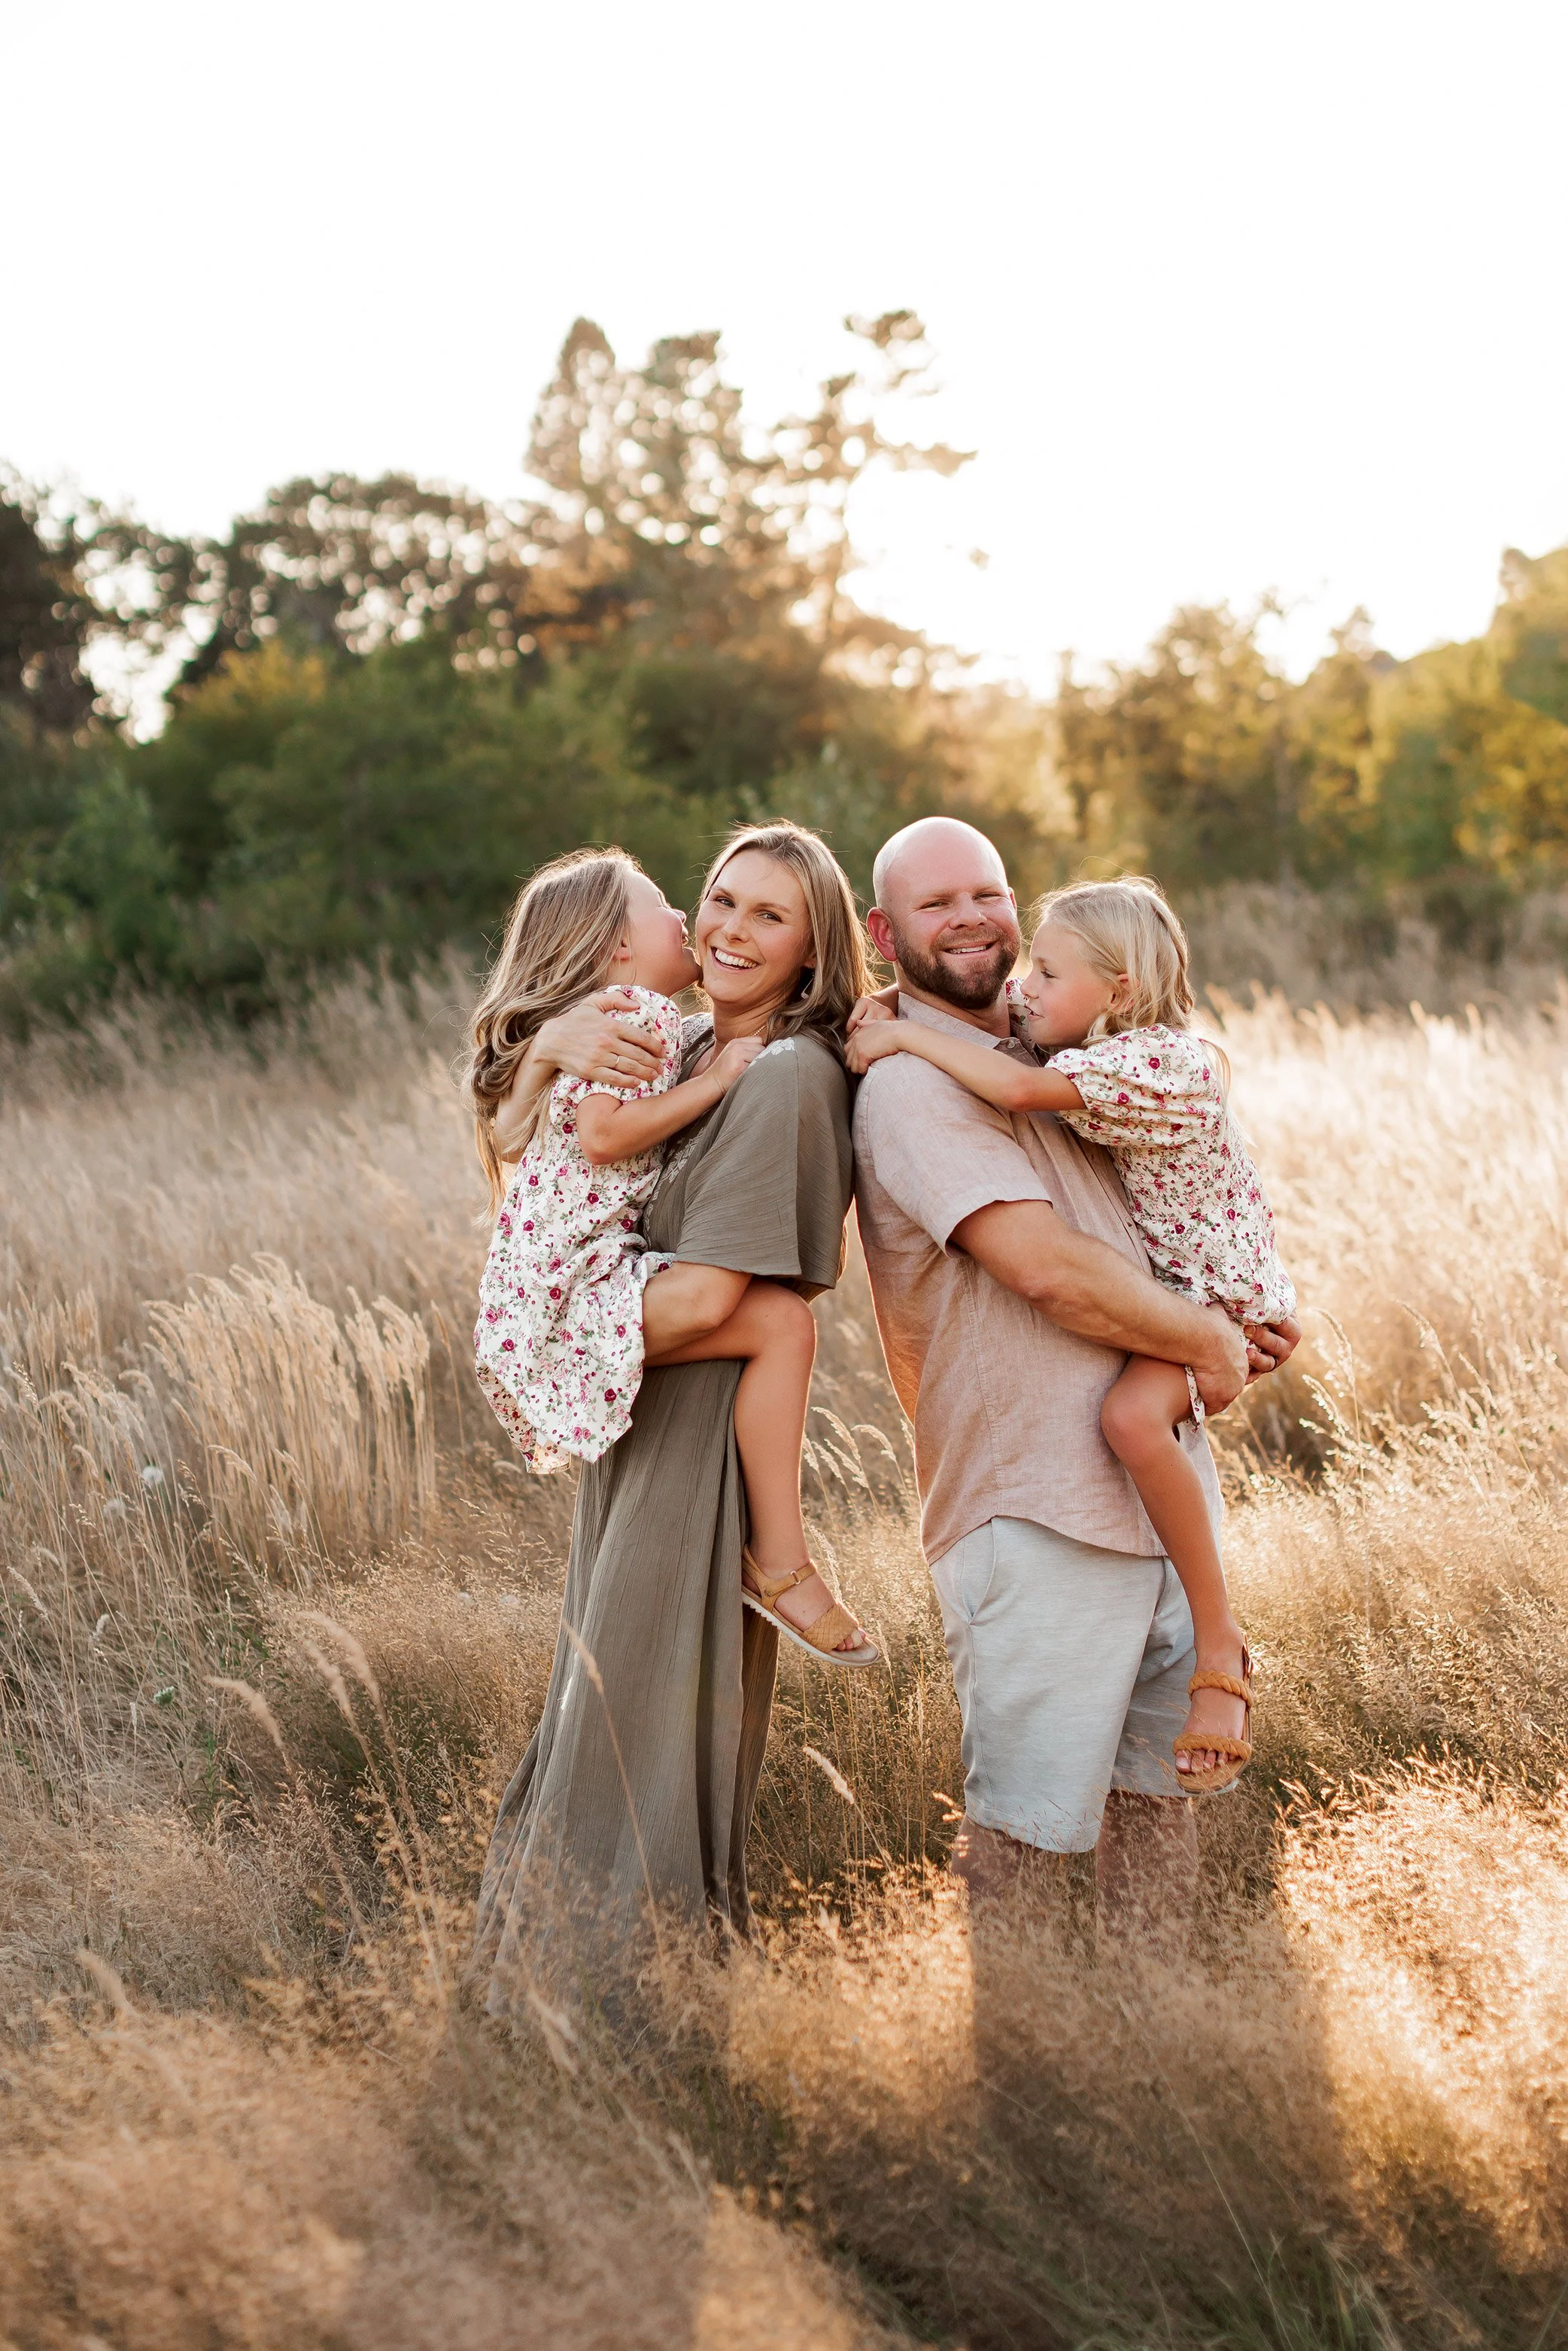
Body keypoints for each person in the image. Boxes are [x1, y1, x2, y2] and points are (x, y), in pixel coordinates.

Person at [846, 817, 1299, 1928]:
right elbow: (1049, 1271)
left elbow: (1181, 1202)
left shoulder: (1062, 1050)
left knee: (1159, 1825)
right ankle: (1028, 2073)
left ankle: (1145, 2062)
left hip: (1155, 1494)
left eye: (988, 894)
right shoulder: (911, 1086)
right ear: (882, 934)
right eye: (936, 903)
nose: (971, 919)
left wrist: (1236, 1324)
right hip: (1036, 1512)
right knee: (1024, 1844)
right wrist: (1207, 1343)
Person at [470, 823, 869, 2000]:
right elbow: (561, 1133)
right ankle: (562, 1998)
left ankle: (613, 1997)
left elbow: (702, 1276)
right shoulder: (671, 1035)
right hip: (612, 1356)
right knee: (610, 1731)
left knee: (635, 1733)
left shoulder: (755, 1057)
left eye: (766, 916)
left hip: (658, 1409)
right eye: (709, 902)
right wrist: (557, 1040)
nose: (718, 931)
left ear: (812, 947)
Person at [466, 847, 873, 1664]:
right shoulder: (648, 1020)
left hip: (540, 1294)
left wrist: (544, 1044)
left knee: (782, 1329)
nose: (691, 918)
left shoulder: (640, 1020)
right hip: (573, 1287)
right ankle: (782, 1562)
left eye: (768, 914)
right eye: (672, 904)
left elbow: (511, 1128)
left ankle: (780, 1560)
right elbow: (604, 1133)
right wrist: (720, 1078)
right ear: (617, 945)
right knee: (782, 1327)